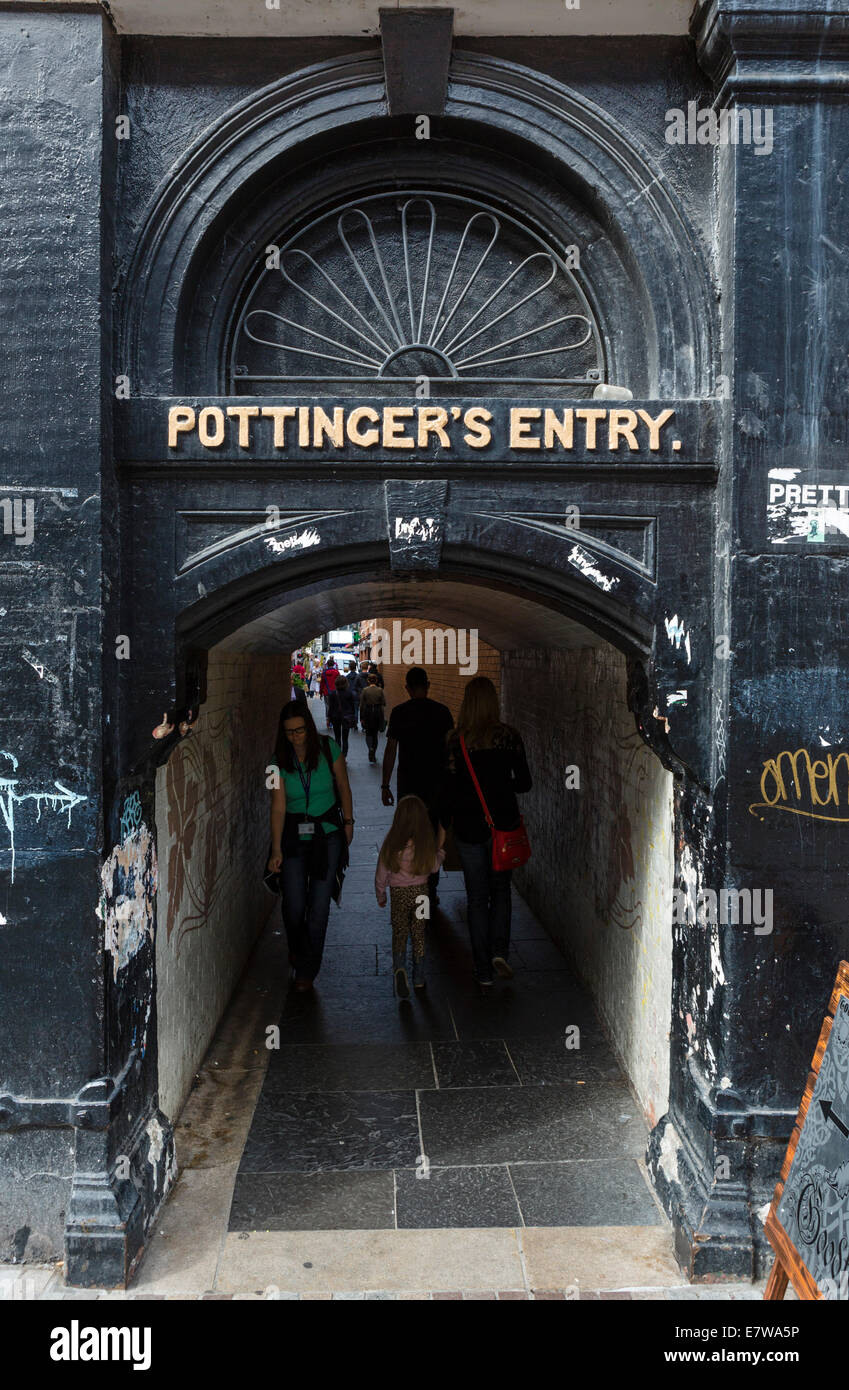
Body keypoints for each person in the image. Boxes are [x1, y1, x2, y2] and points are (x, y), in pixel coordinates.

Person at [438, 676, 532, 991]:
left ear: (467, 703)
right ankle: (500, 952)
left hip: (468, 828)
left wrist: (442, 829)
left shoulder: (455, 740)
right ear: (493, 701)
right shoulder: (509, 737)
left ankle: (482, 969)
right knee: (501, 891)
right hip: (502, 827)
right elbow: (524, 783)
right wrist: (500, 784)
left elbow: (448, 790)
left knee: (477, 897)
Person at [267, 701, 355, 990]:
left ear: (308, 726)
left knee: (318, 908)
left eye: (300, 730)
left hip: (326, 834)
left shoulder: (329, 749)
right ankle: (297, 947)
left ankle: (307, 970)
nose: (296, 737)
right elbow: (278, 808)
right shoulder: (275, 762)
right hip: (293, 836)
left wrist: (349, 822)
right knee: (293, 906)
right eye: (289, 732)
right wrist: (276, 849)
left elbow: (343, 786)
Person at [382, 667, 453, 907]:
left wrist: (384, 784)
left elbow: (391, 750)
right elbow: (450, 751)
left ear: (407, 688)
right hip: (437, 786)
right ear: (428, 684)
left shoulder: (400, 713)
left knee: (409, 836)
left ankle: (412, 883)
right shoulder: (443, 713)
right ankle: (430, 889)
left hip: (408, 788)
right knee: (433, 835)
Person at [376, 796, 445, 998]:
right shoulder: (425, 845)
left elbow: (381, 874)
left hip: (398, 894)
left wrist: (380, 894)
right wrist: (440, 852)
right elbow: (434, 866)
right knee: (419, 933)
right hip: (421, 894)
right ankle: (419, 977)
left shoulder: (391, 844)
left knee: (399, 931)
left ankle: (399, 968)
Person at [359, 672, 386, 762]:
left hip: (367, 712)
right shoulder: (380, 690)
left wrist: (361, 717)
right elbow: (384, 703)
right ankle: (373, 752)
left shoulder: (365, 690)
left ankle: (370, 748)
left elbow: (362, 705)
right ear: (376, 680)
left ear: (368, 681)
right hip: (377, 713)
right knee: (375, 735)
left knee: (368, 733)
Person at [334, 675, 357, 755]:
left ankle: (338, 755)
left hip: (335, 717)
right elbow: (353, 707)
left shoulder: (333, 694)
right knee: (345, 738)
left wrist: (328, 718)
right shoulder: (349, 693)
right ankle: (344, 755)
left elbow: (331, 708)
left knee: (337, 737)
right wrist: (353, 716)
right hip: (346, 717)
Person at [319, 657, 338, 729]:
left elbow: (322, 684)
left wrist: (321, 693)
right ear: (333, 664)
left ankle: (328, 721)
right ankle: (334, 720)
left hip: (327, 692)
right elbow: (338, 682)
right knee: (334, 706)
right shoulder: (336, 672)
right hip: (335, 692)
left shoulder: (324, 673)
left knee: (327, 706)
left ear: (327, 665)